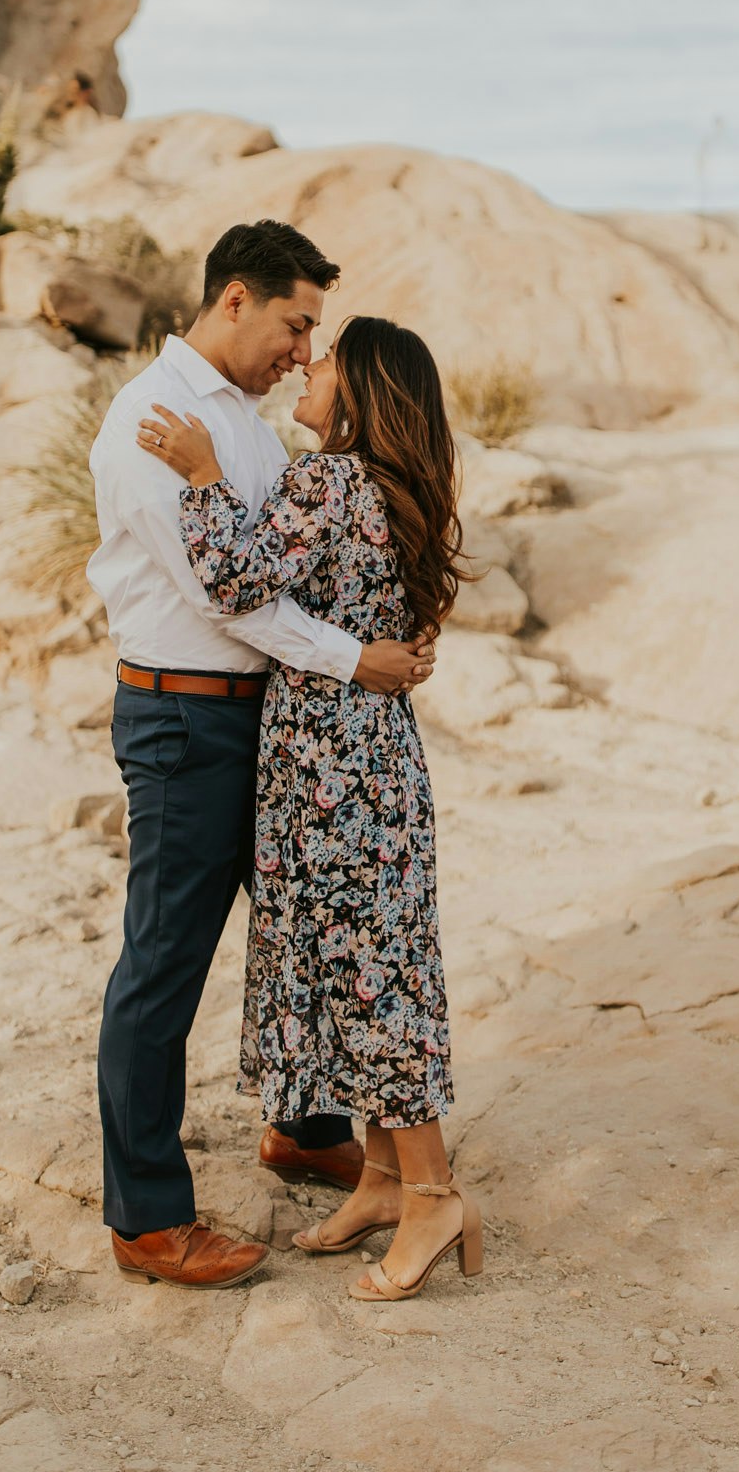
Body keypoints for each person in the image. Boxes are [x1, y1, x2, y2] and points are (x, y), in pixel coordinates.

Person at [89, 220, 436, 1291]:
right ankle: (147, 1218)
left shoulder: (250, 426)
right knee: (165, 963)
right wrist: (355, 661)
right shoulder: (151, 422)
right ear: (234, 299)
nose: (302, 349)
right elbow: (229, 599)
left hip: (275, 723)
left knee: (309, 934)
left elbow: (290, 560)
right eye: (296, 322)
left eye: (313, 333)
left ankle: (304, 1125)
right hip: (188, 721)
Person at [139, 313, 482, 1304]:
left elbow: (236, 579)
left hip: (326, 763)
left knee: (367, 979)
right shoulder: (405, 488)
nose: (305, 367)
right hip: (382, 760)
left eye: (323, 363)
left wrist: (205, 477)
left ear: (362, 391)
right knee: (376, 960)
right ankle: (379, 1179)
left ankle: (432, 1193)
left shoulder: (325, 481)